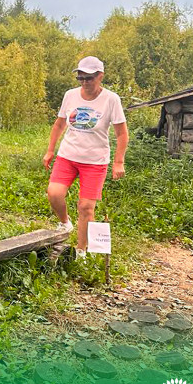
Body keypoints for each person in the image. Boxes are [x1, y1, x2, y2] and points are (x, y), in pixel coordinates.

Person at [43, 56, 129, 259]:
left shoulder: (111, 99)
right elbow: (59, 124)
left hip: (95, 162)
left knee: (86, 207)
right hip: (68, 156)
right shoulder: (70, 96)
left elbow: (122, 133)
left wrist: (119, 161)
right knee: (54, 193)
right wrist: (50, 150)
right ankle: (65, 223)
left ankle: (81, 252)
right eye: (80, 78)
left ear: (100, 76)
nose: (84, 82)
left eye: (89, 78)